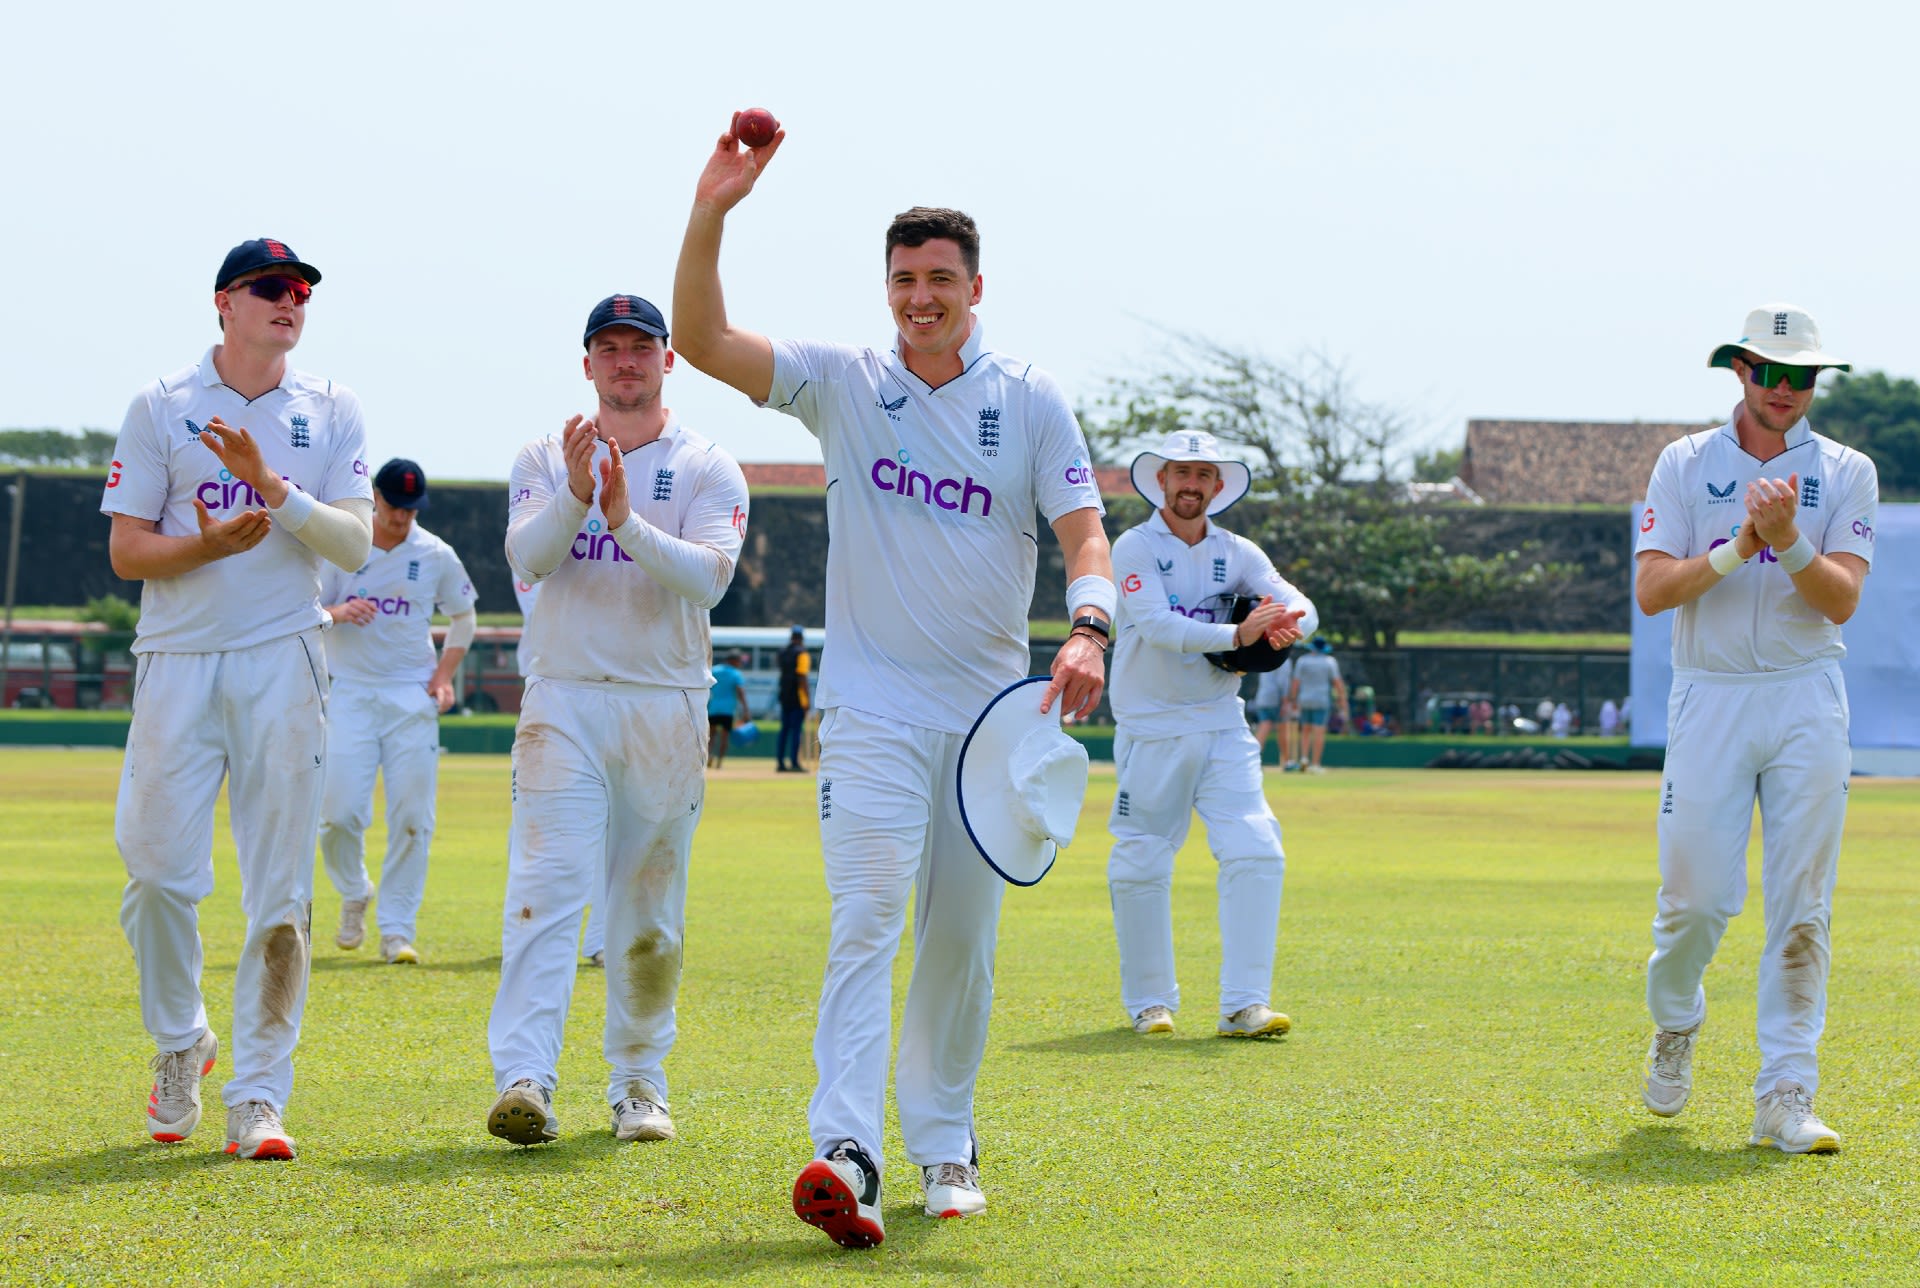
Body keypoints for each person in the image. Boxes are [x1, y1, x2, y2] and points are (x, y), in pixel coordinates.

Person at [674, 115, 1113, 1248]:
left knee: (960, 943)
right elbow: (702, 336)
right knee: (866, 918)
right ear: (886, 288)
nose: (922, 297)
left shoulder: (1028, 399)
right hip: (868, 712)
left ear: (977, 286)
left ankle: (945, 1144)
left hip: (986, 727)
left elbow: (1085, 536)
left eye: (941, 280)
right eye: (905, 280)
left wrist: (1089, 629)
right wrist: (715, 207)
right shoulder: (842, 382)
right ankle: (847, 1153)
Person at [102, 237, 374, 1161]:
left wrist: (272, 488)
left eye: (301, 291)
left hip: (282, 656)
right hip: (176, 659)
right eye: (270, 288)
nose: (289, 302)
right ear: (224, 302)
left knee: (279, 894)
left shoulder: (331, 409)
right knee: (154, 876)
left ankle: (258, 1097)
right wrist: (206, 550)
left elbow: (352, 546)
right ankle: (182, 1042)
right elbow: (129, 549)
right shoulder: (163, 404)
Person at [485, 293, 749, 1150]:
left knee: (649, 910)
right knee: (546, 890)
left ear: (668, 361)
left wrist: (624, 520)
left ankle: (639, 1081)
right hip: (562, 696)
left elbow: (707, 580)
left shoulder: (708, 466)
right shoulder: (543, 452)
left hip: (663, 702)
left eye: (641, 347)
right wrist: (573, 494)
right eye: (609, 347)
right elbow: (528, 556)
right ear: (588, 362)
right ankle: (525, 1077)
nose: (625, 361)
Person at [1635, 303, 1877, 1154]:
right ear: (1739, 370)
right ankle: (1676, 1021)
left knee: (1803, 908)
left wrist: (1793, 545)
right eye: (1768, 372)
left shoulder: (1847, 469)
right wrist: (1745, 544)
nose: (1783, 390)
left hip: (1807, 695)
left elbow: (1841, 595)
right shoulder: (1684, 461)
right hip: (1711, 696)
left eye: (1800, 375)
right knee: (1695, 903)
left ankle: (1785, 1092)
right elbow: (1655, 590)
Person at [1105, 432, 1312, 1041]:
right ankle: (1149, 1004)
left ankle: (1245, 1005)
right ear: (1161, 481)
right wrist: (1240, 637)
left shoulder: (1239, 550)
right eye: (1180, 473)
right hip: (1152, 726)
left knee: (1257, 848)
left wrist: (1286, 623)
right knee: (1142, 857)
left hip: (1223, 722)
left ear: (1218, 486)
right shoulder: (1134, 546)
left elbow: (1297, 601)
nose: (1192, 484)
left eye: (1203, 474)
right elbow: (1156, 625)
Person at [316, 459, 477, 966]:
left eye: (411, 510)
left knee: (412, 819)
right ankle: (354, 889)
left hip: (411, 698)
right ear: (374, 499)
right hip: (350, 693)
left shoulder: (435, 554)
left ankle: (396, 931)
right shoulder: (345, 545)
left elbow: (463, 615)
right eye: (394, 508)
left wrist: (444, 675)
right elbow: (304, 607)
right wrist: (339, 612)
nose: (402, 518)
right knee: (338, 816)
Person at [1288, 637, 1345, 773]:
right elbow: (1337, 683)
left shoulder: (1302, 660)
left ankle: (1304, 759)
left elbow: (1296, 683)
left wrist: (1293, 701)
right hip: (1321, 700)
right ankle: (1315, 764)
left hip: (1305, 699)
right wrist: (1342, 699)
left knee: (1305, 731)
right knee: (1318, 732)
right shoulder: (1329, 661)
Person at [1248, 651, 1294, 769]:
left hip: (1262, 697)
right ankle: (1287, 762)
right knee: (1283, 729)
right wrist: (1285, 702)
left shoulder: (1266, 656)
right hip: (1275, 698)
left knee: (1264, 726)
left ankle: (1252, 759)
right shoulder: (1284, 660)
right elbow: (1282, 682)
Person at [776, 626, 813, 772]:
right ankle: (794, 763)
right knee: (796, 730)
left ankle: (780, 763)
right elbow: (802, 677)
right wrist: (807, 700)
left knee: (784, 730)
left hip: (784, 696)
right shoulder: (802, 653)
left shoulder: (783, 652)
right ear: (802, 638)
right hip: (797, 698)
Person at [706, 650, 751, 768]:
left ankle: (709, 756)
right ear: (733, 661)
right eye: (738, 661)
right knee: (724, 738)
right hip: (728, 710)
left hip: (713, 708)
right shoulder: (735, 674)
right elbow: (740, 691)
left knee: (711, 736)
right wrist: (746, 709)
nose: (740, 664)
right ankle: (719, 763)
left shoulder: (714, 670)